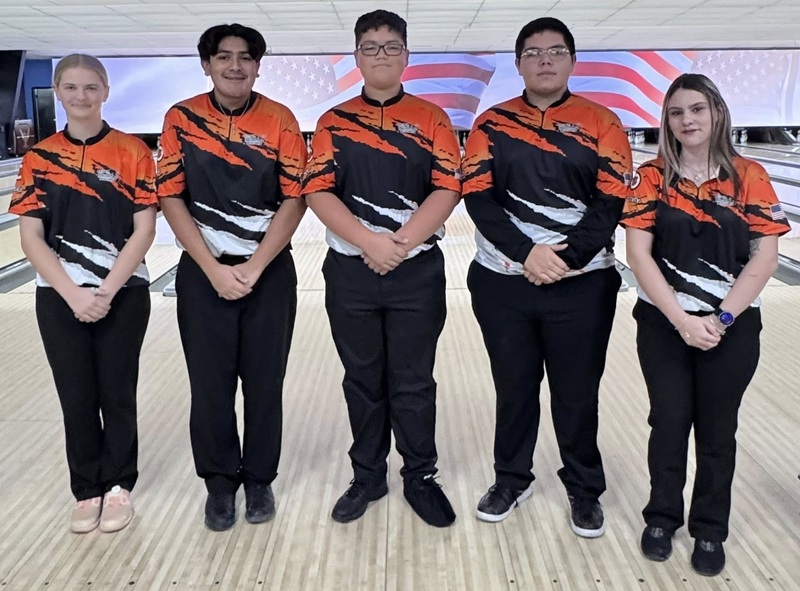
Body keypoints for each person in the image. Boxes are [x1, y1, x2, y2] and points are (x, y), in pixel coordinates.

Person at [462, 17, 632, 536]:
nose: (544, 60)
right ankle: (512, 478)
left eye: (555, 51)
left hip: (582, 282)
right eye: (533, 52)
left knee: (577, 391)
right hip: (502, 279)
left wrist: (565, 260)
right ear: (518, 64)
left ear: (572, 61)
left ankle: (584, 489)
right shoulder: (490, 123)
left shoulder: (603, 122)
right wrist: (526, 253)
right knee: (514, 387)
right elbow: (478, 198)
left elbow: (611, 201)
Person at [622, 73, 790, 576]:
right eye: (676, 112)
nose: (687, 120)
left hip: (731, 329)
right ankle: (661, 518)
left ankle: (710, 529)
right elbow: (638, 254)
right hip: (663, 326)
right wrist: (680, 320)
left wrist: (718, 318)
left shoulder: (750, 176)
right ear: (666, 121)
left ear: (716, 111)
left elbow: (764, 258)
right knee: (668, 422)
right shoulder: (650, 178)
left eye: (696, 109)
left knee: (718, 431)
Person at [302, 9, 461, 528]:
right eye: (370, 47)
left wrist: (401, 242)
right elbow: (318, 190)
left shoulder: (432, 117)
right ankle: (367, 475)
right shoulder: (332, 121)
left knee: (413, 380)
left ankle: (420, 476)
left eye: (391, 46)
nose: (381, 56)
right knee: (363, 378)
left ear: (407, 56)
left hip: (416, 271)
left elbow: (448, 186)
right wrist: (369, 241)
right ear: (356, 58)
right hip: (350, 271)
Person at [157, 23, 307, 531]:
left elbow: (295, 197)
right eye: (224, 57)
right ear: (207, 64)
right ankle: (220, 484)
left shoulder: (280, 119)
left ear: (258, 65)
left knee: (266, 383)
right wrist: (211, 268)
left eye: (246, 57)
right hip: (203, 271)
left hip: (268, 270)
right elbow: (171, 196)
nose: (235, 65)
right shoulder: (180, 118)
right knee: (210, 385)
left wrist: (256, 265)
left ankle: (260, 478)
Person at [11, 54, 157, 534]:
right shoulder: (38, 157)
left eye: (91, 87)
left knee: (117, 392)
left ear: (106, 91)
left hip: (124, 293)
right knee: (75, 394)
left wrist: (108, 290)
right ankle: (86, 489)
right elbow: (31, 236)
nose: (81, 96)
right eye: (70, 87)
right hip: (59, 297)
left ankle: (118, 486)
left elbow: (143, 229)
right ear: (58, 91)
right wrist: (74, 293)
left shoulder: (133, 151)